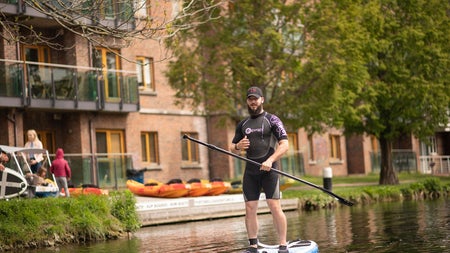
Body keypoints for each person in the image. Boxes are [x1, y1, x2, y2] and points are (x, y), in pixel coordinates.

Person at [232, 86, 289, 253]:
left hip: (269, 170)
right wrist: (237, 146)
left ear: (262, 99)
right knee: (250, 207)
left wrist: (270, 160)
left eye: (255, 98)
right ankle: (253, 246)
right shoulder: (243, 124)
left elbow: (285, 145)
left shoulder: (272, 120)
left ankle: (283, 244)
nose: (253, 101)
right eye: (250, 98)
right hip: (250, 171)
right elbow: (231, 146)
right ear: (247, 101)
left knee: (274, 205)